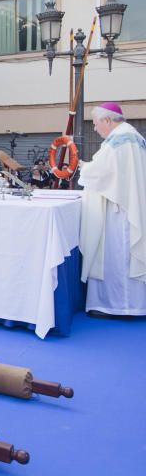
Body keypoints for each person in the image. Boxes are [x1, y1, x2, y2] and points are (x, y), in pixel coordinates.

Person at [79, 103, 146, 317]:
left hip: (119, 211)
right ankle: (133, 303)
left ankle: (118, 306)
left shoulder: (118, 140)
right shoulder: (135, 137)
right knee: (125, 256)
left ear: (107, 120)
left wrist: (83, 167)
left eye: (97, 124)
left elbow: (102, 172)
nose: (96, 129)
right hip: (130, 205)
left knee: (117, 255)